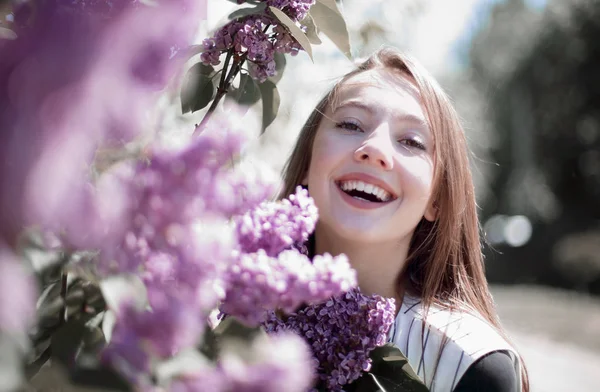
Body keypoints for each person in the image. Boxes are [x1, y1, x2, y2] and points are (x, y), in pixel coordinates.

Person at [279, 47, 529, 392]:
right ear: (307, 162)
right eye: (351, 124)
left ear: (437, 200)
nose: (374, 149)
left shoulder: (470, 365)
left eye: (411, 141)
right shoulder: (221, 301)